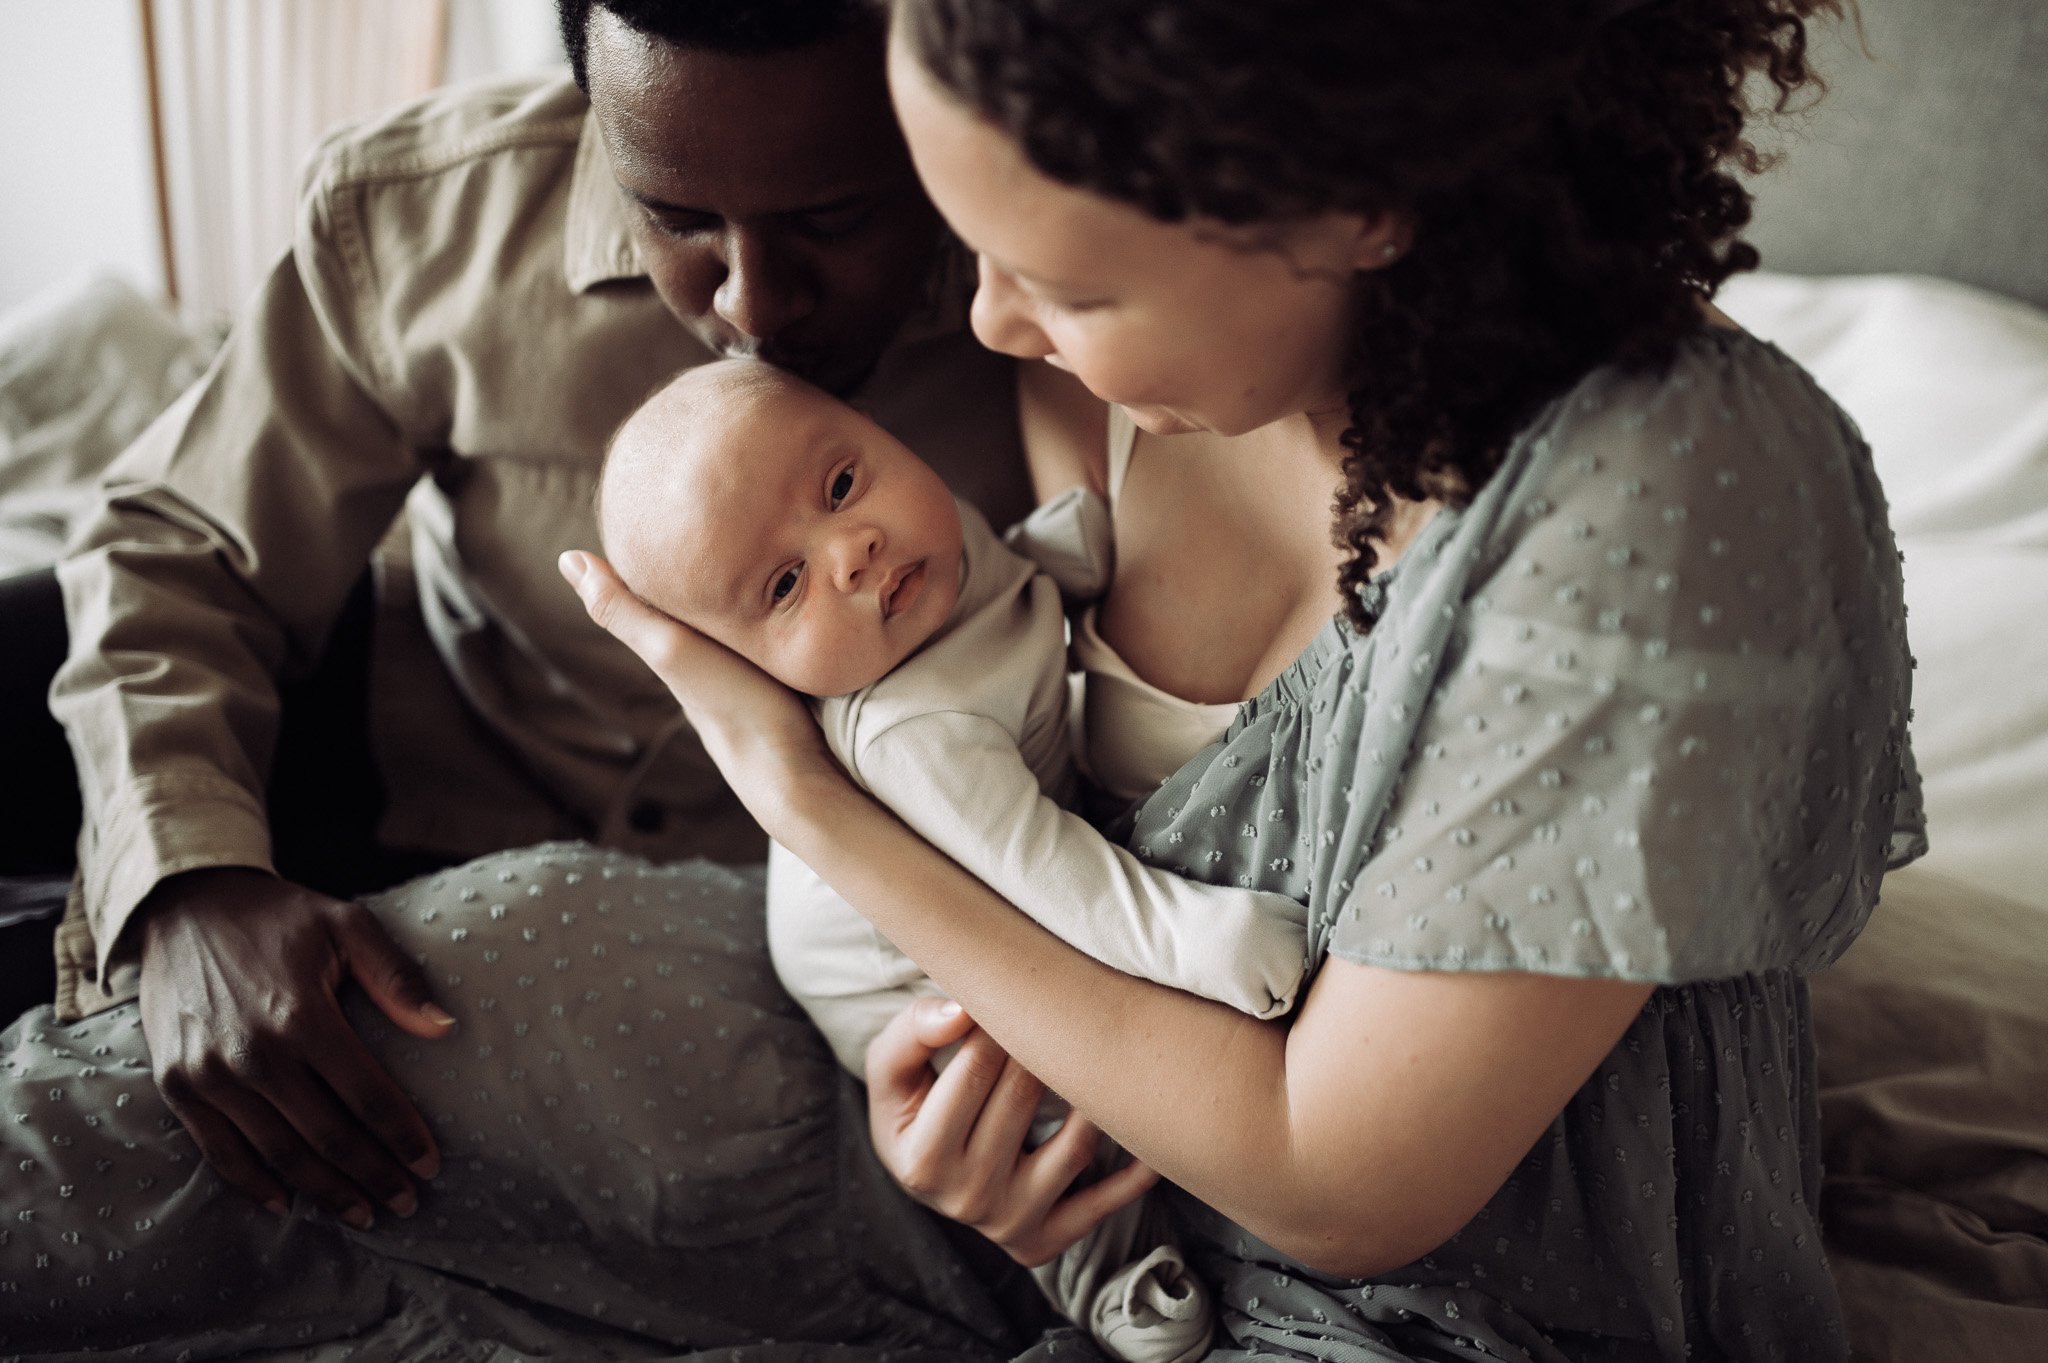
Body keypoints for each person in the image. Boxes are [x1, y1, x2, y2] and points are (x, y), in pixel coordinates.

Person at [561, 1, 1922, 1360]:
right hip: (1118, 1185)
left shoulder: (1658, 495)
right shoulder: (1132, 381)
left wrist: (809, 801)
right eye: (976, 241)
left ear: (1354, 205)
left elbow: (1340, 1186)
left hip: (1447, 1297)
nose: (991, 323)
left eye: (1068, 285)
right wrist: (990, 1150)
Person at [5, 0, 1030, 1232]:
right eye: (676, 217)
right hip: (391, 729)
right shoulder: (429, 214)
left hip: (753, 906)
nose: (752, 304)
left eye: (835, 218)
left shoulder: (1062, 288)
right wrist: (186, 883)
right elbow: (181, 547)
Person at [599, 356, 1316, 1362]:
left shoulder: (925, 565)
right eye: (784, 584)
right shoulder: (911, 728)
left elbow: (1014, 591)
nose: (849, 549)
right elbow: (1052, 881)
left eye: (841, 483)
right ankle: (1109, 1279)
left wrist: (1071, 559)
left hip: (974, 853)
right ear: (744, 667)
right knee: (1030, 1097)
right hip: (896, 976)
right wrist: (1202, 940)